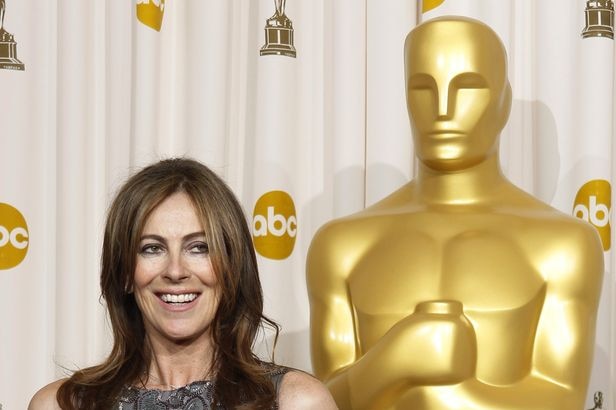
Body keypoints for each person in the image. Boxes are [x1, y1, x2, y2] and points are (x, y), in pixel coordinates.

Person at [307, 16, 604, 409]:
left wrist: (442, 393)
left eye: (467, 87)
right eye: (422, 88)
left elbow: (562, 398)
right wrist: (395, 359)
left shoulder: (565, 246)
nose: (443, 110)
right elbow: (323, 401)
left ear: (505, 102)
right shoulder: (342, 246)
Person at [29, 158, 337, 409]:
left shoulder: (294, 402)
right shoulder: (63, 405)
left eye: (199, 247)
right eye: (152, 248)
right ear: (124, 272)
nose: (175, 271)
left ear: (231, 267)